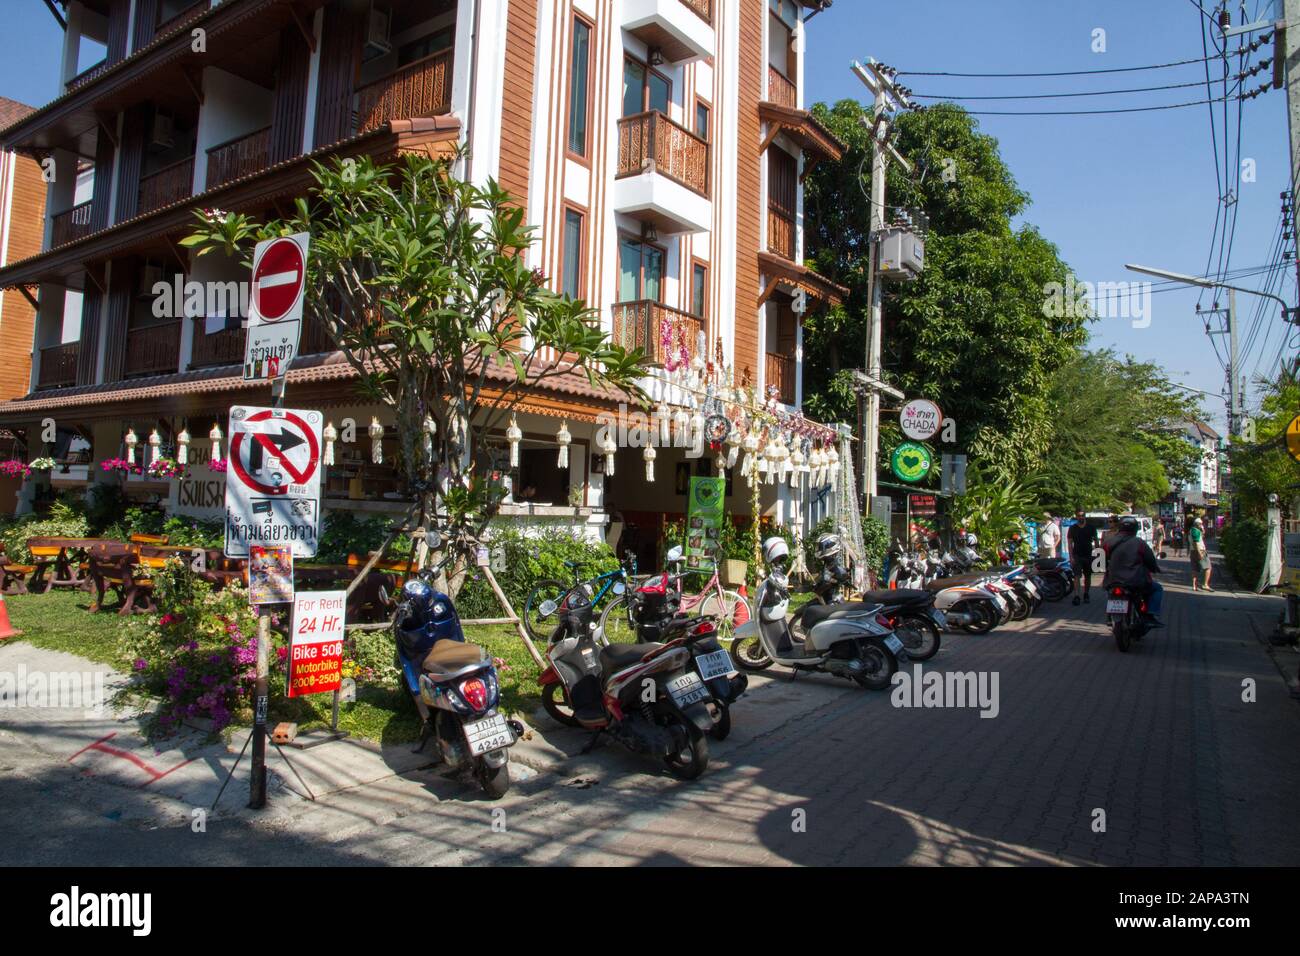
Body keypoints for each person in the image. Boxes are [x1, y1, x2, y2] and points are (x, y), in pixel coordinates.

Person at [1103, 516, 1165, 627]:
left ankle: (1109, 616)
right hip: (1135, 581)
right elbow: (1150, 560)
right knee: (1157, 588)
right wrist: (1155, 568)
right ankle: (1150, 616)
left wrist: (1107, 569)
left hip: (1113, 580)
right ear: (1135, 529)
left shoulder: (1108, 542)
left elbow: (1097, 562)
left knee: (1110, 592)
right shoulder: (1140, 543)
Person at [1068, 509, 1098, 605]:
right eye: (1079, 516)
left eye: (1082, 515)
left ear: (1085, 516)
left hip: (1088, 555)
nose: (1081, 517)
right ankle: (1077, 595)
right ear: (1076, 517)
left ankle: (1086, 594)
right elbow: (1070, 544)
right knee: (1076, 576)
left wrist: (1097, 554)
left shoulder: (1091, 527)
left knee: (1088, 576)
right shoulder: (1072, 528)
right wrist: (1071, 557)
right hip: (1077, 555)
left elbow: (1096, 541)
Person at [1189, 516, 1212, 591]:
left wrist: (1202, 531)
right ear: (1197, 524)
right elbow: (1196, 543)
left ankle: (1194, 586)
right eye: (1201, 524)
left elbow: (1200, 538)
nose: (1202, 525)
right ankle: (1205, 584)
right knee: (1208, 567)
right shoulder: (1196, 531)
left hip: (1192, 551)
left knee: (1195, 569)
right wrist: (1199, 553)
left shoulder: (1191, 530)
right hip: (1200, 550)